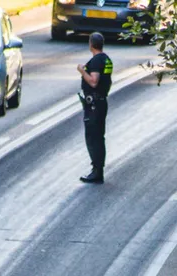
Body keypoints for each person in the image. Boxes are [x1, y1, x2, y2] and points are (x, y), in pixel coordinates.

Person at [77, 32, 113, 184]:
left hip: (94, 106)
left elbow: (93, 81)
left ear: (91, 44)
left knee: (93, 138)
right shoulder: (106, 59)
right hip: (100, 102)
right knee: (99, 137)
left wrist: (81, 70)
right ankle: (98, 169)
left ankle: (97, 171)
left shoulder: (97, 60)